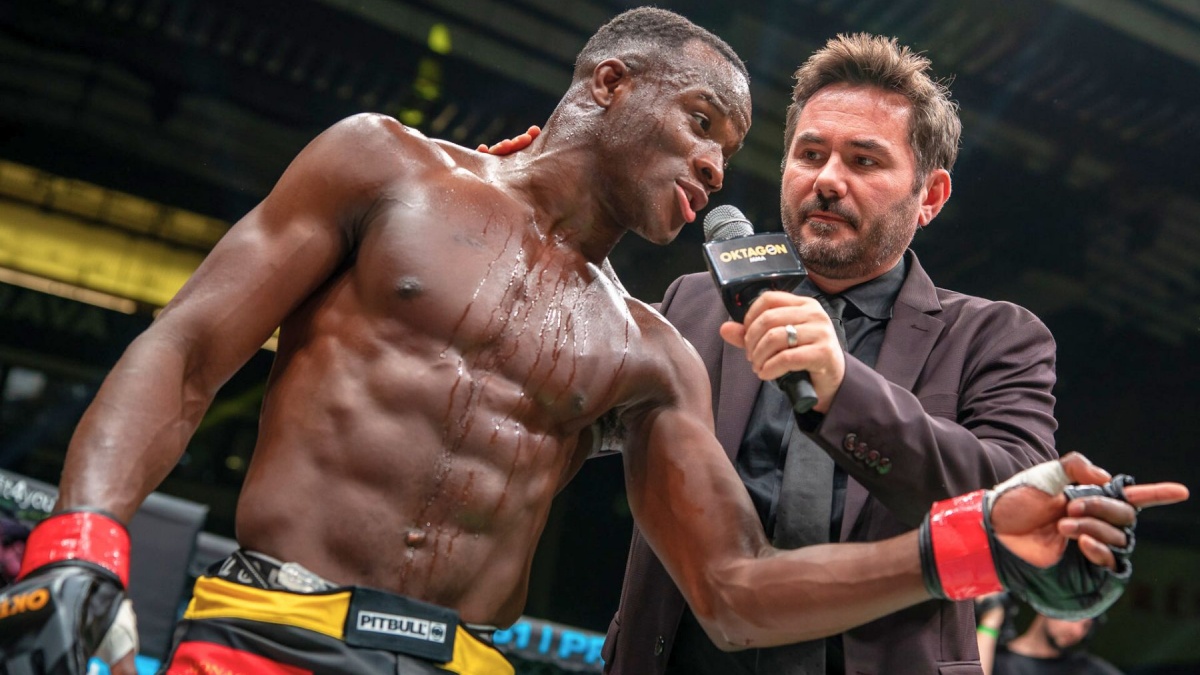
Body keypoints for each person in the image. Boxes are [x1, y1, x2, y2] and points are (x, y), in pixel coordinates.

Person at [0, 9, 1184, 675]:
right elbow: (187, 353)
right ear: (609, 84)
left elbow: (733, 587)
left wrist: (964, 545)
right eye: (705, 125)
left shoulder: (653, 347)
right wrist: (83, 533)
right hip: (274, 629)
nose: (720, 167)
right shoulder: (387, 168)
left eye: (733, 147)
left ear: (929, 195)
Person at [595, 33, 1076, 675]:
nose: (826, 180)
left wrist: (843, 391)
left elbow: (1016, 504)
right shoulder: (695, 304)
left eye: (864, 161)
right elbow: (557, 396)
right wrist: (527, 220)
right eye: (811, 154)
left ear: (930, 196)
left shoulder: (994, 337)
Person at [977, 596, 1124, 675]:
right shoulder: (996, 659)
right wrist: (991, 619)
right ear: (1048, 606)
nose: (1077, 632)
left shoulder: (1085, 669)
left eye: (1086, 626)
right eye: (1073, 617)